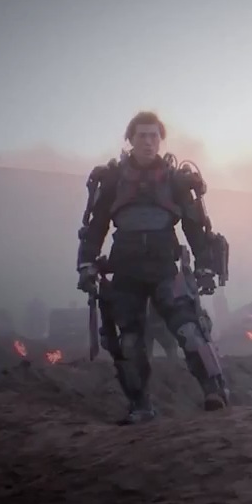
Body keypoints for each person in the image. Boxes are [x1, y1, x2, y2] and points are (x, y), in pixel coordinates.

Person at [76, 111, 231, 425]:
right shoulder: (113, 179)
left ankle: (214, 392)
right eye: (142, 136)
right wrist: (86, 263)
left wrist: (204, 266)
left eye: (154, 136)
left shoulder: (175, 180)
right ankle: (140, 405)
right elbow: (96, 226)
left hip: (164, 269)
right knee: (129, 342)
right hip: (126, 271)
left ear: (160, 141)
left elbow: (194, 226)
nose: (148, 142)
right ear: (130, 139)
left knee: (190, 330)